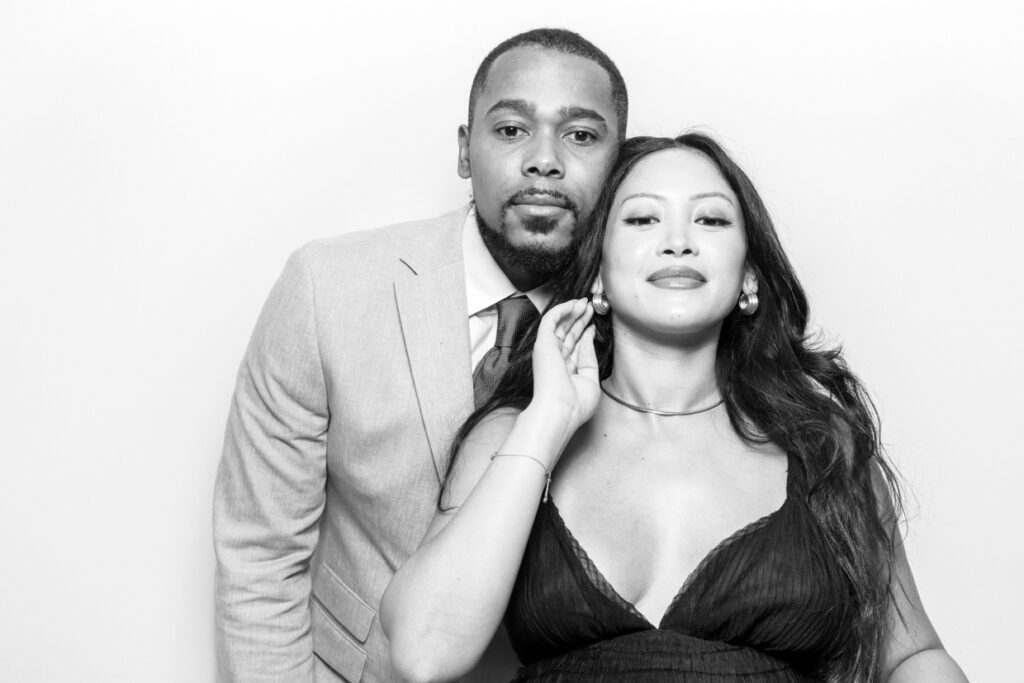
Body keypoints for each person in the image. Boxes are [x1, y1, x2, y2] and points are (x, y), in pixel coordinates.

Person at [380, 134, 970, 682]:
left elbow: (913, 655)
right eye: (642, 218)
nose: (678, 239)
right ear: (600, 274)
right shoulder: (514, 434)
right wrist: (548, 420)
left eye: (710, 219)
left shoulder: (821, 445)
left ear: (749, 278)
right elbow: (423, 652)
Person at [212, 28, 628, 682]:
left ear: (620, 163)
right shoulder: (328, 289)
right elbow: (260, 558)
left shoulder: (656, 322)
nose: (544, 160)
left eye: (580, 135)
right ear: (465, 151)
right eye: (512, 129)